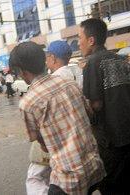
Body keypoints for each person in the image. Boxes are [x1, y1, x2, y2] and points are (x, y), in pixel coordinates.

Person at [9, 41, 105, 195]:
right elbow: (89, 115)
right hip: (95, 167)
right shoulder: (70, 83)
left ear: (22, 71)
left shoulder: (28, 103)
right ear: (44, 60)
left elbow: (43, 145)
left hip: (69, 180)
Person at [78, 18, 130, 195]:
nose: (79, 43)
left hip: (111, 137)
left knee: (111, 186)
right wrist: (119, 95)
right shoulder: (118, 59)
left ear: (91, 40)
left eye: (80, 38)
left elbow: (96, 105)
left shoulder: (92, 63)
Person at [26, 40, 75, 195]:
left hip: (55, 138)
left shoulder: (55, 79)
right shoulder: (74, 74)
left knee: (35, 177)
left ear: (53, 58)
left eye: (47, 56)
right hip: (72, 139)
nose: (46, 59)